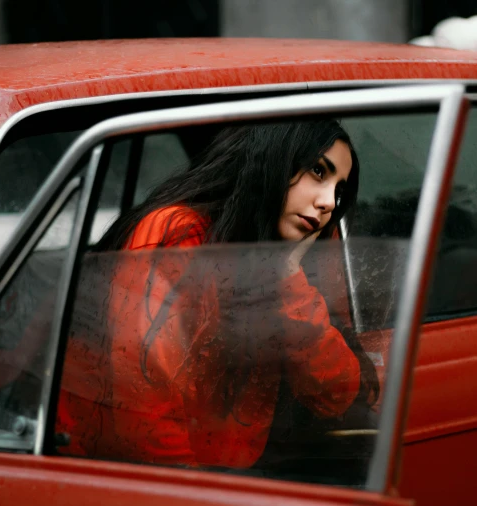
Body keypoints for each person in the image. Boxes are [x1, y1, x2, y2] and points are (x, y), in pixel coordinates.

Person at [56, 120, 380, 470]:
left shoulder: (297, 252)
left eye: (340, 190)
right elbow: (146, 406)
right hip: (125, 476)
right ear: (275, 160)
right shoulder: (180, 234)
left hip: (224, 475)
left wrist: (289, 276)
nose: (329, 202)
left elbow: (336, 394)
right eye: (319, 171)